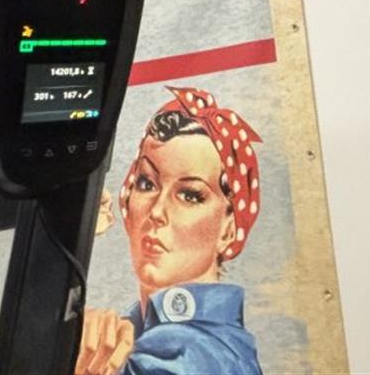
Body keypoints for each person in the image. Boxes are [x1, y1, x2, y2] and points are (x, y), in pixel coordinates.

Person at [76, 86, 264, 375]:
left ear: (229, 229)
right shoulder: (139, 331)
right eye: (147, 183)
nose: (157, 212)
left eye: (190, 195)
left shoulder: (191, 356)